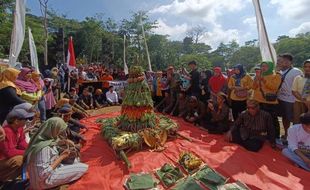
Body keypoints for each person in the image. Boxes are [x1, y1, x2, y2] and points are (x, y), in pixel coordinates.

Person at [24, 117, 88, 190]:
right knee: (83, 168)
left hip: (40, 177)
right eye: (59, 130)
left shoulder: (40, 140)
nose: (59, 133)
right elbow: (42, 174)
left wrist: (64, 141)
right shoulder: (44, 148)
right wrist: (62, 157)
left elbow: (53, 142)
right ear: (53, 130)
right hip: (42, 182)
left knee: (76, 161)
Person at [0, 108, 35, 181]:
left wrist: (31, 149)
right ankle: (3, 178)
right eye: (25, 119)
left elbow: (22, 143)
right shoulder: (7, 131)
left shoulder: (20, 129)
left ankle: (12, 177)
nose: (27, 121)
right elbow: (9, 152)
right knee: (19, 160)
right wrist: (27, 152)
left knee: (30, 155)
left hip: (8, 158)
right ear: (16, 121)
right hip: (3, 159)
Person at [252, 61, 281, 138]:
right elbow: (254, 87)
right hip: (258, 101)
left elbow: (274, 87)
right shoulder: (258, 75)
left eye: (266, 66)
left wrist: (263, 80)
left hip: (269, 102)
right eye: (262, 66)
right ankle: (263, 134)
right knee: (260, 119)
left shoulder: (276, 76)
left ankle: (275, 135)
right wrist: (256, 79)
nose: (263, 68)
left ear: (271, 67)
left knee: (272, 120)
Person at [277, 54, 303, 138]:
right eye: (281, 61)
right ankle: (286, 134)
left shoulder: (296, 71)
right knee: (285, 118)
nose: (282, 63)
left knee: (295, 119)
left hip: (292, 100)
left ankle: (295, 136)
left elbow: (302, 85)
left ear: (290, 62)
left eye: (285, 61)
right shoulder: (280, 71)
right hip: (281, 98)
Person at [292, 59, 310, 124]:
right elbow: (294, 91)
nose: (307, 69)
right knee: (298, 121)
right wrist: (303, 100)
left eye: (309, 67)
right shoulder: (298, 78)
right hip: (299, 103)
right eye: (305, 67)